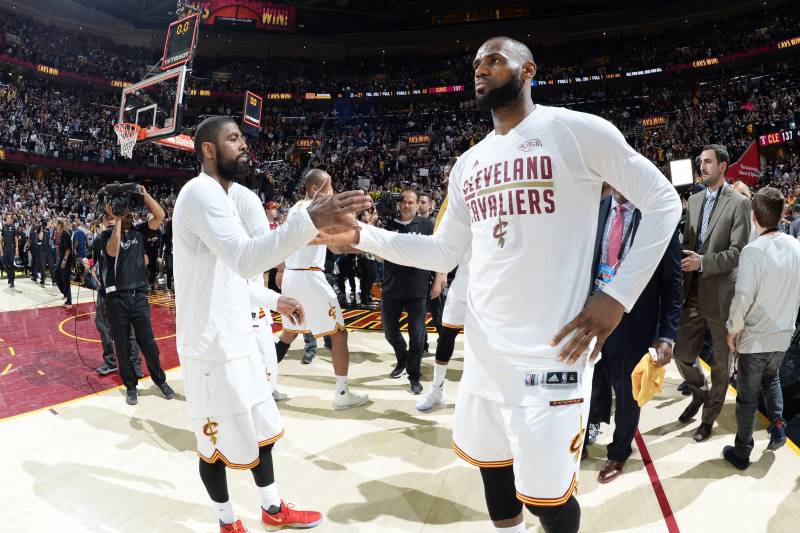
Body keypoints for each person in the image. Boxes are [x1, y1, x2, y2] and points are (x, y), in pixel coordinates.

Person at [321, 36, 681, 533]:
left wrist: (617, 296)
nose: (482, 70)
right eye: (476, 64)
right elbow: (444, 252)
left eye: (494, 60)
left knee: (551, 501)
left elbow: (664, 202)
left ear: (528, 69)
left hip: (554, 353)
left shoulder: (576, 131)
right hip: (486, 356)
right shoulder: (468, 164)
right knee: (495, 477)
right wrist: (364, 237)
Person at [172, 116, 370, 532]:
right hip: (209, 347)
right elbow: (247, 259)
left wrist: (274, 298)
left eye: (242, 137)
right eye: (232, 138)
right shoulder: (198, 193)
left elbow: (233, 277)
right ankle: (227, 522)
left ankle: (272, 508)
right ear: (208, 149)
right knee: (213, 446)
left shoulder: (228, 198)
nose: (243, 144)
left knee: (263, 430)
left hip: (238, 336)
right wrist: (309, 220)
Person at [583, 187, 683, 483]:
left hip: (635, 320)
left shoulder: (656, 217)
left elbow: (672, 280)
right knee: (591, 380)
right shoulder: (595, 206)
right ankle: (589, 429)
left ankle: (619, 450)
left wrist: (667, 334)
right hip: (593, 311)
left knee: (627, 391)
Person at [673, 144, 751, 443]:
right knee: (681, 355)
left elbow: (738, 252)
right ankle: (700, 393)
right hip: (692, 292)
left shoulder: (739, 203)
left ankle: (708, 418)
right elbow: (691, 244)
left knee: (721, 363)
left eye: (708, 162)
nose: (702, 166)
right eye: (700, 162)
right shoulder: (693, 200)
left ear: (723, 166)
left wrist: (703, 262)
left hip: (720, 296)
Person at [274, 169, 369, 410]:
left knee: (289, 332)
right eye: (329, 187)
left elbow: (287, 243)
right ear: (316, 190)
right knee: (339, 333)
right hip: (309, 277)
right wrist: (371, 247)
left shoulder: (294, 208)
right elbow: (339, 246)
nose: (333, 192)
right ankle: (342, 393)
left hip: (292, 276)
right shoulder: (321, 210)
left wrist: (280, 268)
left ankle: (263, 387)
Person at [723, 187, 800, 469]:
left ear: (754, 216)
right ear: (782, 215)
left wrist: (733, 328)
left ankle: (742, 451)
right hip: (783, 335)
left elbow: (742, 297)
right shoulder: (796, 246)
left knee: (746, 397)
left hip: (756, 337)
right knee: (773, 379)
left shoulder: (752, 251)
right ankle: (778, 427)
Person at [229, 182, 304, 403]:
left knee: (268, 354)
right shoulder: (233, 243)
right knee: (252, 356)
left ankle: (268, 389)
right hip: (245, 305)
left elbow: (271, 252)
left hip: (259, 300)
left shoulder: (255, 236)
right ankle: (255, 395)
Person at [101, 186, 173, 405]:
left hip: (139, 297)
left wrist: (144, 194)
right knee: (122, 347)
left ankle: (160, 380)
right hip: (116, 300)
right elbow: (113, 251)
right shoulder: (107, 235)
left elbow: (160, 215)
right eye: (125, 212)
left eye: (131, 211)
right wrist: (118, 219)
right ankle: (130, 386)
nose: (129, 214)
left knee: (149, 344)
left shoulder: (141, 232)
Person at [417, 157, 467, 412]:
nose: (449, 177)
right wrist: (441, 273)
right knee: (446, 333)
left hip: (495, 277)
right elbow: (441, 243)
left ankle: (481, 395)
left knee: (488, 341)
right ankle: (436, 391)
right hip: (466, 275)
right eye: (449, 173)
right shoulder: (451, 201)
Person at [381, 189, 435, 395]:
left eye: (411, 202)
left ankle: (414, 375)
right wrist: (386, 242)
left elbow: (437, 252)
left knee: (418, 335)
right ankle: (402, 358)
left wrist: (439, 278)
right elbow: (378, 256)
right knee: (389, 331)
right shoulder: (388, 226)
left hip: (417, 289)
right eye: (403, 201)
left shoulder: (427, 225)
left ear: (417, 205)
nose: (406, 205)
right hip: (391, 287)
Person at [92, 212, 143, 378]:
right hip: (106, 291)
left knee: (130, 330)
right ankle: (113, 363)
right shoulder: (100, 239)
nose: (111, 221)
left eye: (114, 218)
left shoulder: (129, 236)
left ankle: (133, 364)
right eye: (108, 218)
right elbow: (95, 262)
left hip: (123, 291)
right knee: (104, 327)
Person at [55, 219, 73, 305]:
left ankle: (69, 302)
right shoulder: (61, 235)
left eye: (57, 225)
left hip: (66, 261)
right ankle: (65, 293)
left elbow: (68, 249)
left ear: (60, 225)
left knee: (66, 280)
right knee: (57, 276)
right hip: (61, 260)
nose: (56, 226)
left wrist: (64, 260)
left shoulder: (66, 235)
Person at [1, 214, 19, 289]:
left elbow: (16, 239)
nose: (8, 219)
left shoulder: (13, 228)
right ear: (6, 219)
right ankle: (9, 277)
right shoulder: (3, 227)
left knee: (11, 265)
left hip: (11, 248)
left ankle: (12, 281)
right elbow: (1, 238)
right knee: (5, 265)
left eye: (10, 218)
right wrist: (1, 250)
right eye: (7, 218)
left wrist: (17, 249)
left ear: (11, 219)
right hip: (5, 249)